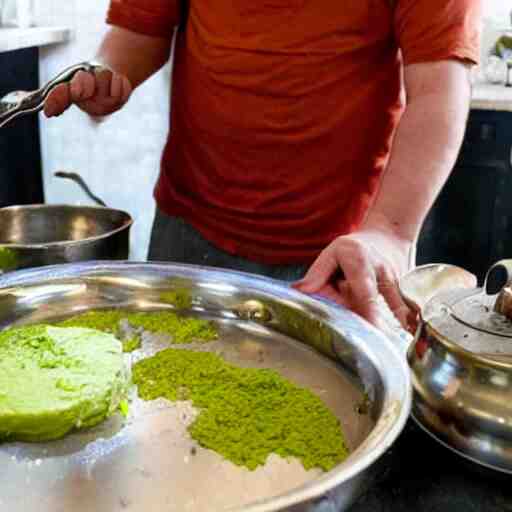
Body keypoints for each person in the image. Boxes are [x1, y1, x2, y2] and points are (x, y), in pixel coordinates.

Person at [45, 0, 481, 331]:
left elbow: (438, 91)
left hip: (342, 255)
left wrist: (389, 231)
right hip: (189, 233)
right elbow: (137, 34)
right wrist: (107, 73)